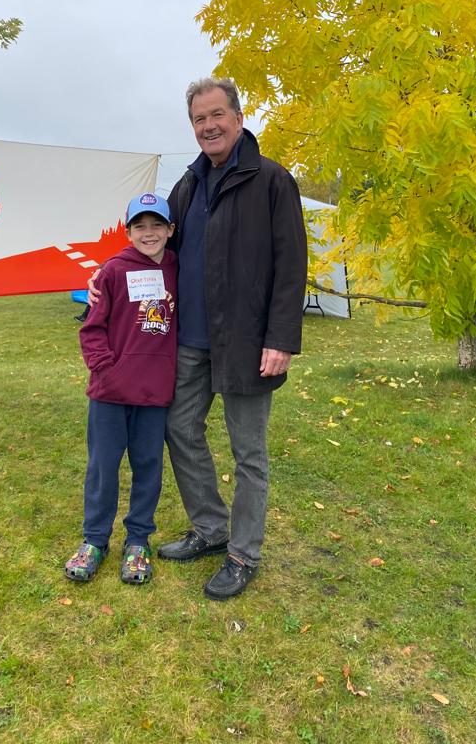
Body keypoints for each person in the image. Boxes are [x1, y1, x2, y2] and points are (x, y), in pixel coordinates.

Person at [90, 77, 307, 600]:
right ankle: (211, 527)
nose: (208, 126)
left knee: (247, 452)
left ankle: (243, 554)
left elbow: (291, 265)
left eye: (216, 115)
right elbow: (159, 248)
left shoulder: (272, 181)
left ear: (237, 115)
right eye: (198, 120)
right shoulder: (189, 184)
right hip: (189, 341)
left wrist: (280, 338)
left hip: (249, 344)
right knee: (179, 428)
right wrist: (109, 272)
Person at [65, 192, 178, 586]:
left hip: (154, 394)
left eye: (156, 225)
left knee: (148, 467)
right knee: (103, 468)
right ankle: (95, 540)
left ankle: (138, 540)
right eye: (140, 226)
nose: (149, 233)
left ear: (170, 230)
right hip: (110, 394)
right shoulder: (112, 271)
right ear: (128, 232)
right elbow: (91, 328)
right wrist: (105, 369)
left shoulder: (179, 269)